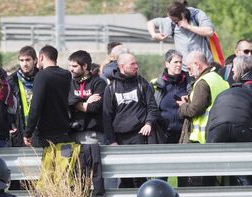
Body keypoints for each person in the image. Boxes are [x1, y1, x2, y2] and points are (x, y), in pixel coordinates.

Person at [103, 53, 159, 188]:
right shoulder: (111, 87)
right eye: (132, 64)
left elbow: (152, 107)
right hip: (120, 138)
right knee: (125, 176)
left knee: (140, 176)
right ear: (122, 66)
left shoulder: (142, 83)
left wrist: (148, 123)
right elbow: (106, 116)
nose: (136, 66)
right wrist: (111, 141)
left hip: (139, 136)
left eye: (136, 63)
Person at [206, 56, 252, 185]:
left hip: (217, 129)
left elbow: (211, 120)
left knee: (211, 168)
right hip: (242, 127)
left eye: (234, 69)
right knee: (251, 166)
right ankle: (250, 196)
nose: (231, 71)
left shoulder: (223, 94)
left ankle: (210, 195)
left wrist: (209, 142)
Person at [24, 45, 72, 147]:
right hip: (63, 130)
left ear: (41, 57)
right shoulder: (66, 74)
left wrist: (28, 132)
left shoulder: (42, 75)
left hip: (45, 134)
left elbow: (35, 106)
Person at [178, 51, 229, 144]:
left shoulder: (202, 82)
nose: (189, 73)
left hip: (200, 138)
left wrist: (183, 106)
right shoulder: (219, 79)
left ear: (197, 64)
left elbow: (194, 110)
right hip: (218, 133)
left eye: (189, 69)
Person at [147, 1, 215, 66]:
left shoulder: (196, 15)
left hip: (205, 65)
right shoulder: (171, 21)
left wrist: (188, 26)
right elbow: (150, 23)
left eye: (176, 21)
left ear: (183, 15)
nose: (174, 23)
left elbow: (209, 32)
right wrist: (154, 35)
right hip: (186, 69)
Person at [68, 50, 107, 144]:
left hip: (93, 135)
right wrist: (86, 102)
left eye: (74, 66)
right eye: (70, 66)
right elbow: (67, 102)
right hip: (71, 133)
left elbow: (94, 108)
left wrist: (75, 103)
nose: (71, 69)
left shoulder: (98, 82)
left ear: (84, 66)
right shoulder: (69, 82)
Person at [151, 50, 189, 144]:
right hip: (163, 134)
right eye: (175, 62)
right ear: (167, 64)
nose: (179, 65)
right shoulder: (156, 84)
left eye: (180, 62)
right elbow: (151, 108)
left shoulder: (189, 82)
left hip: (184, 134)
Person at [8, 46, 39, 147]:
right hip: (20, 129)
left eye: (27, 60)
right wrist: (11, 125)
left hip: (39, 130)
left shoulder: (42, 78)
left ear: (35, 61)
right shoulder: (12, 80)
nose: (24, 64)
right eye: (22, 60)